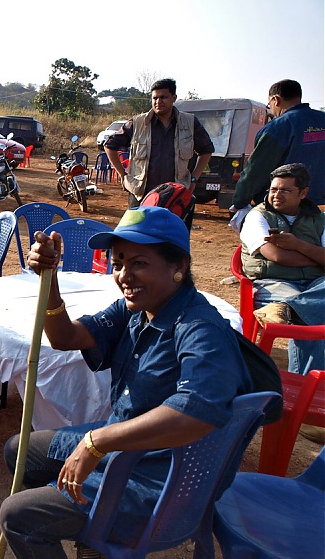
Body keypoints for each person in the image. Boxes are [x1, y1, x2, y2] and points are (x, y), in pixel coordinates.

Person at [0, 206, 252, 559]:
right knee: (19, 451)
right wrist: (49, 280)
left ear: (178, 266)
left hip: (157, 476)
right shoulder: (136, 309)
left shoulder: (200, 328)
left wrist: (96, 443)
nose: (123, 276)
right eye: (118, 262)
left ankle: (73, 557)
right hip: (122, 450)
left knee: (18, 516)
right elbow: (64, 338)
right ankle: (88, 543)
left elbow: (196, 412)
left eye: (139, 263)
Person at [239, 163, 324, 374]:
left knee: (308, 310)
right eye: (273, 189)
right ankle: (305, 385)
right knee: (311, 317)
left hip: (315, 284)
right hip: (274, 282)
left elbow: (290, 252)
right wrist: (317, 257)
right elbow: (277, 256)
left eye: (285, 190)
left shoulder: (319, 220)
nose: (277, 195)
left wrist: (298, 245)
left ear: (303, 193)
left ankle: (292, 308)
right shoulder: (257, 217)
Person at [105, 78, 214, 208]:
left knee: (173, 229)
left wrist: (194, 179)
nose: (158, 102)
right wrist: (123, 175)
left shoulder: (189, 123)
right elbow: (110, 146)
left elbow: (206, 150)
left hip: (175, 196)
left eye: (163, 97)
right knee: (139, 229)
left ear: (174, 98)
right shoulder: (138, 123)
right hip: (141, 195)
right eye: (155, 98)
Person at [232, 79, 325, 215]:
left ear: (276, 100)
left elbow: (257, 170)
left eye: (269, 104)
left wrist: (239, 201)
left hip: (284, 207)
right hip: (319, 207)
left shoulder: (277, 128)